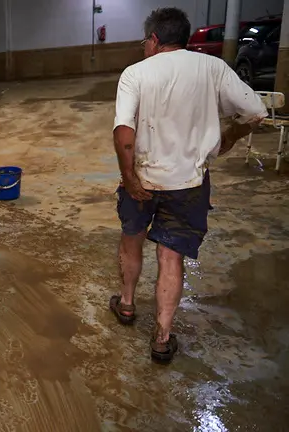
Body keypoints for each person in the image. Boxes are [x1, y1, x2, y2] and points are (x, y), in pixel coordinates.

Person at [110, 8, 266, 362]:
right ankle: (162, 338)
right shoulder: (212, 68)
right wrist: (231, 134)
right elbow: (256, 111)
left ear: (153, 40)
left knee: (131, 241)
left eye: (143, 42)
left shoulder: (135, 74)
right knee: (170, 256)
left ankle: (128, 305)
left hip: (145, 178)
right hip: (190, 183)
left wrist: (131, 178)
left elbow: (123, 134)